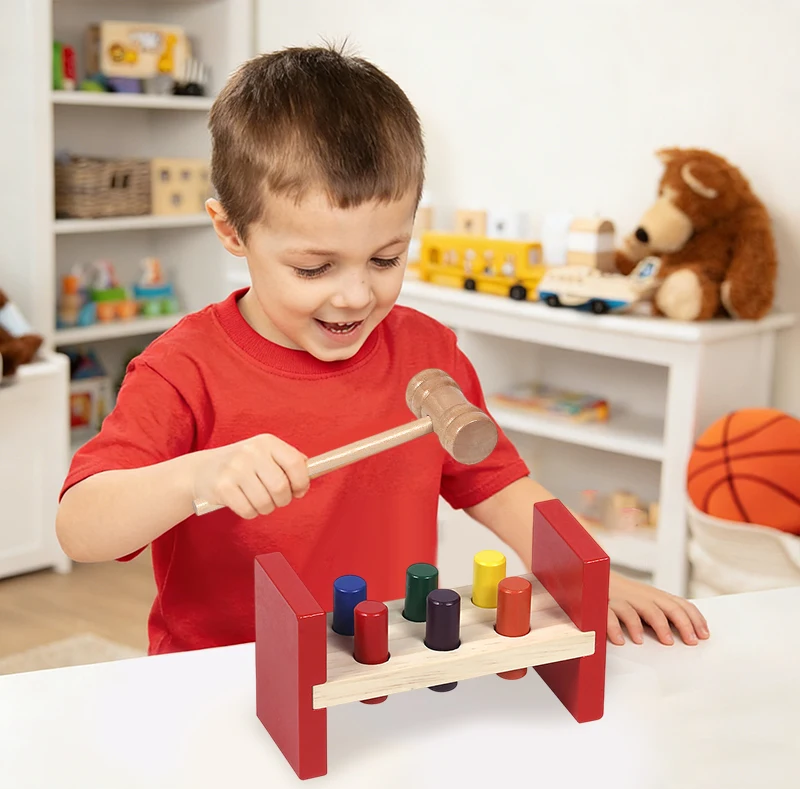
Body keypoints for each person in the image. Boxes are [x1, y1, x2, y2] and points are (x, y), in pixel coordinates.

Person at [56, 44, 709, 657]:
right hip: (221, 676)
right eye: (314, 268)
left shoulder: (427, 352)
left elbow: (499, 482)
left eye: (385, 258)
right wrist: (196, 475)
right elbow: (80, 528)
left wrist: (593, 576)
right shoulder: (183, 368)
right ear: (232, 231)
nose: (355, 296)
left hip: (381, 659)